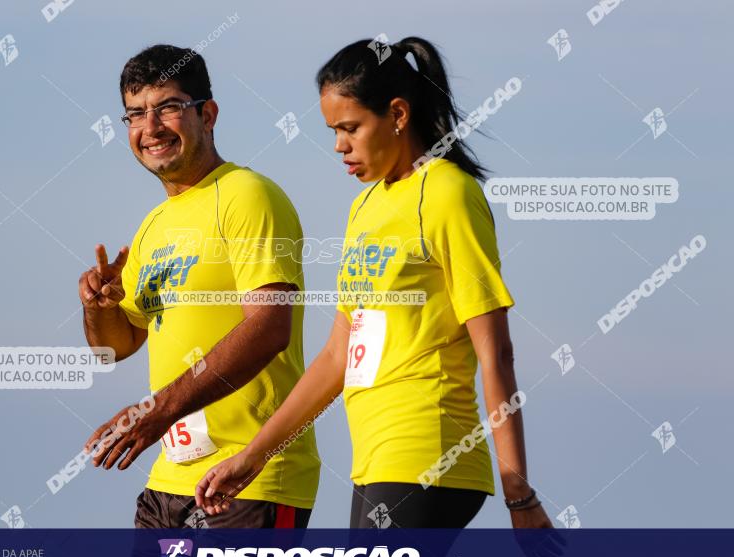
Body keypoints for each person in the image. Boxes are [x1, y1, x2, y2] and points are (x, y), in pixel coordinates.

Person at [195, 37, 554, 530]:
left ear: (399, 114)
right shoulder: (364, 208)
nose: (339, 145)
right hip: (373, 462)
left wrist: (518, 491)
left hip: (430, 455)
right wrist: (252, 457)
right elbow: (335, 359)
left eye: (350, 128)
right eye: (333, 131)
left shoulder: (448, 193)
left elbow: (496, 354)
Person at [79, 44, 319, 529]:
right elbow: (113, 348)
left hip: (247, 477)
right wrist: (97, 307)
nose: (151, 128)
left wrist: (158, 410)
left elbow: (271, 327)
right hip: (168, 482)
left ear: (207, 114)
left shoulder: (248, 195)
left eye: (168, 107)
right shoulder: (153, 225)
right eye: (135, 114)